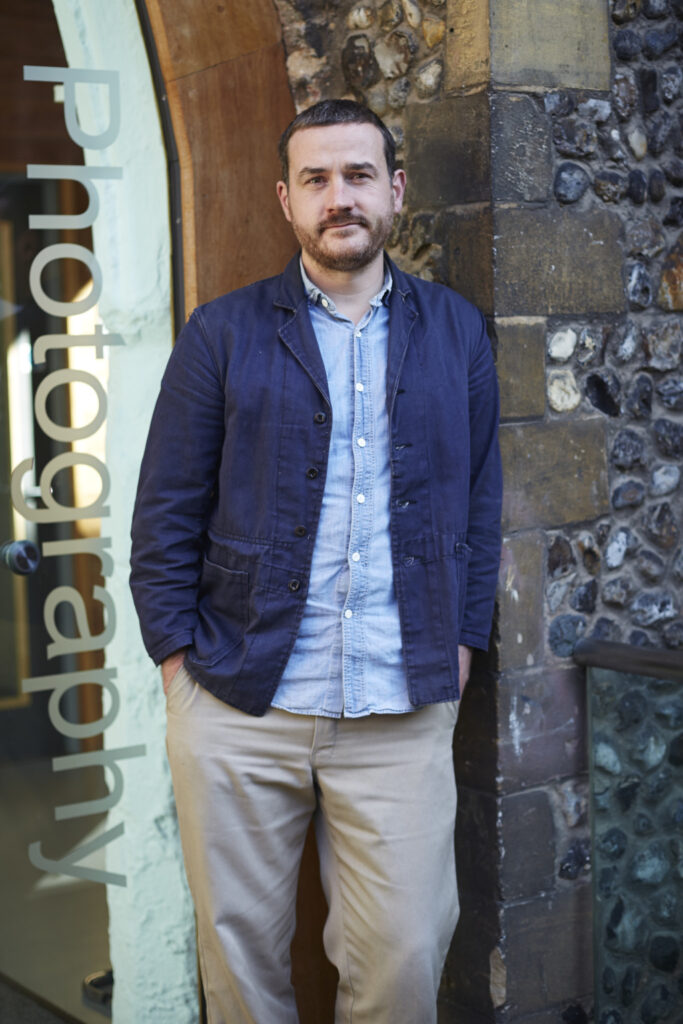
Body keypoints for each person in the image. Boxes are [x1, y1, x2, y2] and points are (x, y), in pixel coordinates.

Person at [130, 99, 502, 1024]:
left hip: (400, 702)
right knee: (237, 961)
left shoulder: (456, 331)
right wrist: (176, 662)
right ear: (286, 200)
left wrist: (461, 639)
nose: (340, 197)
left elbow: (479, 500)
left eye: (358, 175)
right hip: (238, 700)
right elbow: (165, 510)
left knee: (404, 956)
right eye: (317, 179)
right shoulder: (222, 333)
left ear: (395, 190)